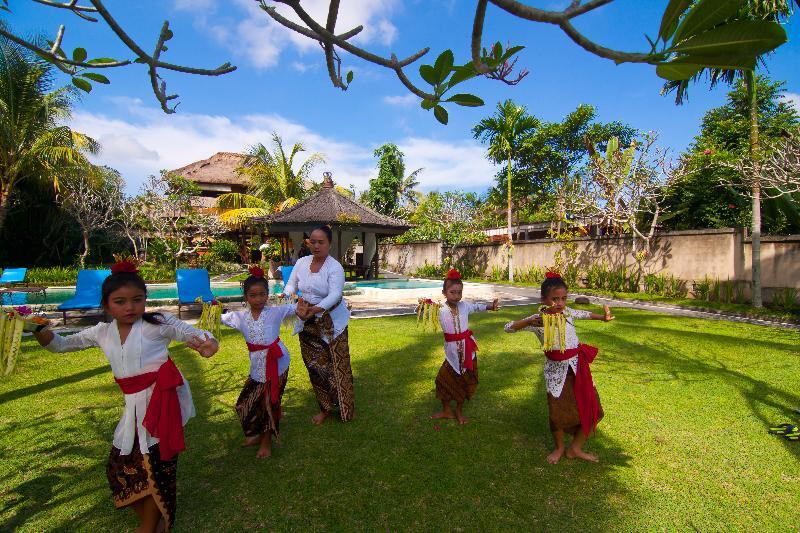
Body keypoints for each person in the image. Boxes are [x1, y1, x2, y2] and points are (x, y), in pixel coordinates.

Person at [31, 258, 218, 532]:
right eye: (120, 301)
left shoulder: (157, 323)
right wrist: (36, 328)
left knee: (156, 465)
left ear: (145, 300)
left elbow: (194, 333)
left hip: (161, 403)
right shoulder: (102, 332)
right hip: (132, 407)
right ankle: (153, 520)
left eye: (137, 299)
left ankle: (150, 525)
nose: (130, 307)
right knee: (117, 469)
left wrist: (208, 344)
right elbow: (60, 345)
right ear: (106, 305)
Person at [504, 271, 614, 464]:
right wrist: (529, 322)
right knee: (557, 414)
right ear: (543, 299)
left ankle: (575, 448)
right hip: (556, 372)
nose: (560, 303)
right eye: (555, 299)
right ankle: (560, 447)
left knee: (594, 409)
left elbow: (584, 314)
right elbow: (508, 327)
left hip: (578, 368)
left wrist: (601, 318)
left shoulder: (568, 312)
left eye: (563, 298)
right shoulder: (538, 320)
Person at [221, 265, 300, 458]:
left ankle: (266, 442)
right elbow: (220, 318)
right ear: (246, 296)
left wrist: (310, 306)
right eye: (253, 295)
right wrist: (210, 308)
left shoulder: (275, 312)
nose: (258, 300)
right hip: (257, 368)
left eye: (262, 294)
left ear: (267, 294)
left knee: (269, 404)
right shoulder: (239, 317)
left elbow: (296, 308)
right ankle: (254, 434)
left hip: (278, 363)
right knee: (243, 404)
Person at [282, 225, 355, 425]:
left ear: (329, 244)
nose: (316, 245)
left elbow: (335, 294)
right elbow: (291, 284)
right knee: (315, 367)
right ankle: (324, 407)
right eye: (312, 241)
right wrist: (287, 294)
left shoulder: (334, 267)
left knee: (337, 366)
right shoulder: (302, 262)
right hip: (306, 320)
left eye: (320, 242)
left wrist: (316, 309)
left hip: (333, 323)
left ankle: (345, 408)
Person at [431, 268, 499, 424]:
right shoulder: (440, 309)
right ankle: (447, 411)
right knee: (442, 381)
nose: (456, 296)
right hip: (452, 354)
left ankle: (459, 411)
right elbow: (423, 310)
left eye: (459, 292)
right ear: (444, 292)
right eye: (452, 292)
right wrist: (423, 306)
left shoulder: (464, 306)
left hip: (468, 351)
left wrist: (490, 307)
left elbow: (477, 307)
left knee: (464, 383)